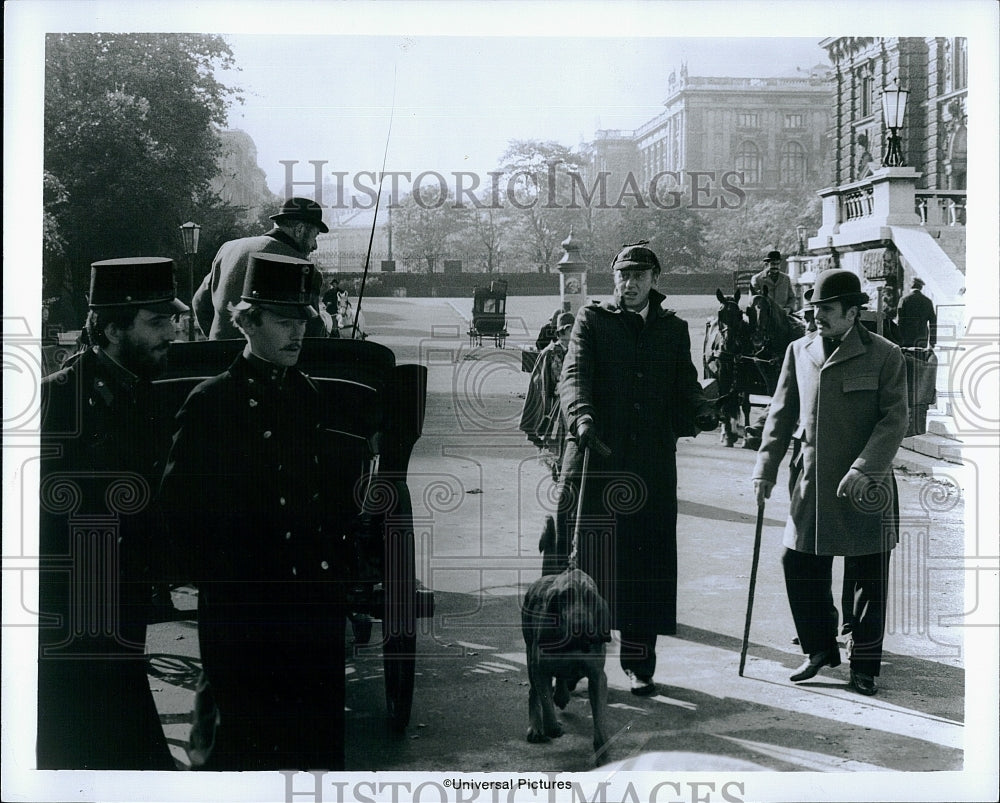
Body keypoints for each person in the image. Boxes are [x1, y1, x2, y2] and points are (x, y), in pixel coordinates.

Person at [159, 252, 352, 770]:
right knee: (242, 746)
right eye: (284, 321)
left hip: (310, 601)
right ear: (247, 322)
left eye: (302, 322)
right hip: (244, 609)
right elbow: (180, 511)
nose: (297, 334)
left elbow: (328, 501)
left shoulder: (308, 396)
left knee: (314, 747)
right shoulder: (212, 404)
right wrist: (222, 583)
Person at [38, 257, 187, 769]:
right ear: (110, 327)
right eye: (156, 322)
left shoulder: (139, 394)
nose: (172, 332)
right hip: (68, 626)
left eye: (172, 320)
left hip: (123, 616)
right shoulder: (56, 402)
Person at [553, 242, 717, 696]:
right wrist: (581, 416)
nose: (628, 284)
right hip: (594, 460)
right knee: (586, 560)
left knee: (646, 562)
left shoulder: (673, 329)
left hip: (650, 469)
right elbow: (575, 374)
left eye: (638, 276)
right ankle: (572, 662)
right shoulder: (592, 319)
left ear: (655, 281)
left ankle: (639, 664)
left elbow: (684, 386)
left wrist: (701, 410)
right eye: (622, 275)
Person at [752, 268, 908, 696]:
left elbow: (895, 420)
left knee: (867, 574)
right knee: (798, 562)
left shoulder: (885, 354)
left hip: (865, 483)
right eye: (814, 309)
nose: (816, 316)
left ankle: (865, 665)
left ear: (854, 312)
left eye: (826, 309)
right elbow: (781, 415)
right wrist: (765, 467)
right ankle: (820, 649)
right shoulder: (798, 351)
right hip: (812, 481)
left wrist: (865, 467)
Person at [193, 196, 332, 339]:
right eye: (315, 236)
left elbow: (199, 303)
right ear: (299, 230)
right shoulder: (302, 267)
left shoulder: (229, 248)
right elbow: (311, 331)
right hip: (265, 360)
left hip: (219, 357)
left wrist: (218, 341)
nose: (315, 246)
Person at [520, 311, 575, 480]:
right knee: (554, 436)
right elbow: (541, 380)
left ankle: (565, 468)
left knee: (568, 438)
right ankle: (557, 468)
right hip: (554, 404)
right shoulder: (551, 352)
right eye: (572, 329)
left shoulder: (576, 350)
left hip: (570, 401)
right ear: (563, 331)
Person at [750, 250, 796, 315]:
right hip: (764, 316)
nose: (775, 267)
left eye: (777, 264)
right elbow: (754, 299)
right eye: (773, 264)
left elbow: (792, 297)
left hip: (783, 315)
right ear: (766, 264)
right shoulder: (757, 279)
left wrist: (789, 309)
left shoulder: (786, 278)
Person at [897, 276, 937, 349]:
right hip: (922, 339)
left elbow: (900, 322)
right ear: (921, 287)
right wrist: (932, 342)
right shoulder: (928, 301)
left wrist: (898, 340)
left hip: (906, 338)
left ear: (911, 285)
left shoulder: (904, 300)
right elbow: (933, 322)